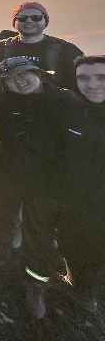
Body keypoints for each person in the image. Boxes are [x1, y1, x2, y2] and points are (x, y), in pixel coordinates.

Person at [0, 57, 75, 319]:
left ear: (37, 72)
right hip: (10, 168)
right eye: (9, 79)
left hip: (48, 178)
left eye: (22, 74)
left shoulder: (65, 101)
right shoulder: (6, 99)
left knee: (39, 229)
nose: (17, 81)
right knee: (0, 212)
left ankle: (37, 283)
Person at [58, 56, 105, 314]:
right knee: (70, 242)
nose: (93, 84)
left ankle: (86, 292)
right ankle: (75, 280)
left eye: (101, 77)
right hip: (71, 200)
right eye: (84, 78)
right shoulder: (72, 111)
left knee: (96, 250)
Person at [0, 1, 83, 99]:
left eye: (36, 17)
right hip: (9, 111)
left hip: (53, 111)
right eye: (22, 18)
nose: (29, 21)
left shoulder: (66, 49)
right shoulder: (0, 48)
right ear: (14, 22)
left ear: (45, 21)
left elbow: (81, 87)